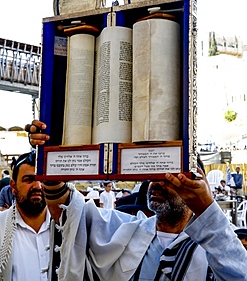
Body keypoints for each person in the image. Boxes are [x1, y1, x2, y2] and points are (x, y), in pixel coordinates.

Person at [28, 120, 247, 281]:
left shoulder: (216, 242)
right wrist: (52, 152)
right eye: (152, 176)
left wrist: (206, 209)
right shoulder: (127, 231)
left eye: (168, 177)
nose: (156, 183)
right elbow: (67, 212)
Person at [0, 151, 53, 281]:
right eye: (29, 180)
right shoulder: (1, 228)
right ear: (13, 186)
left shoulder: (67, 227)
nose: (38, 186)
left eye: (43, 180)